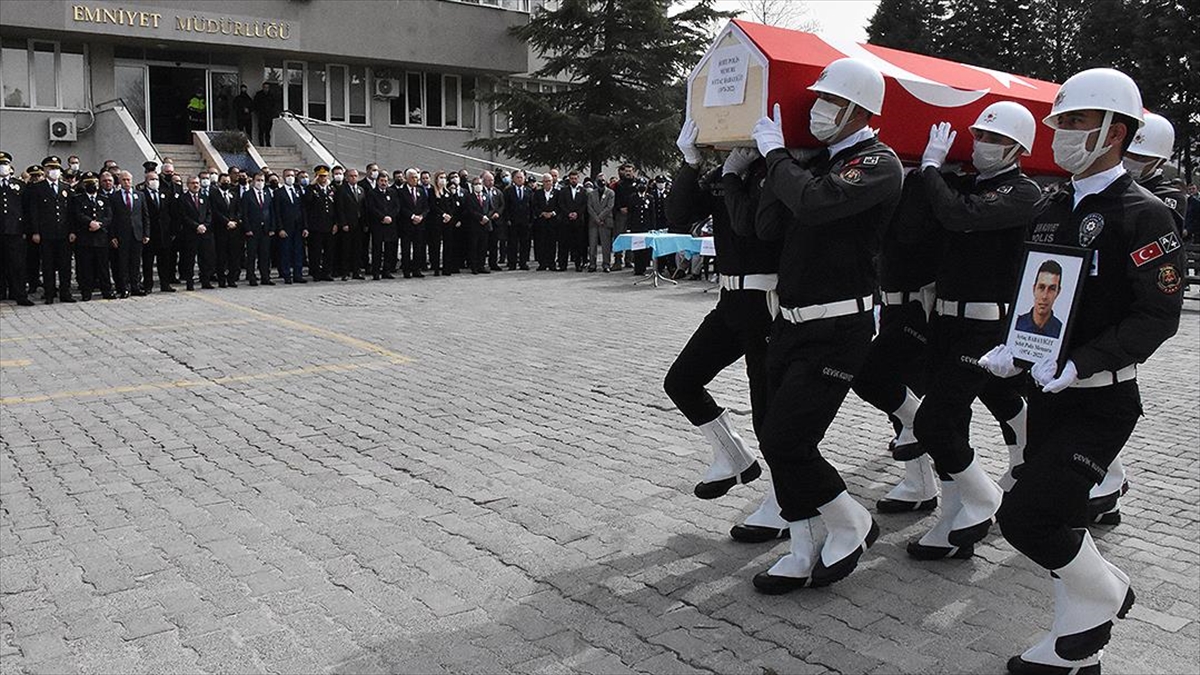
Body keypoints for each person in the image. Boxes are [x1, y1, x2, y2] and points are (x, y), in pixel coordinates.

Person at [978, 68, 1183, 675]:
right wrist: (1013, 347)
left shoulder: (1143, 215)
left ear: (1117, 133)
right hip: (1049, 396)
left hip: (1101, 401)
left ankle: (1108, 593)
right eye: (1059, 122)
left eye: (1076, 122)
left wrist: (1084, 361)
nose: (1062, 133)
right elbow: (1035, 296)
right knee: (1064, 516)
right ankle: (1076, 647)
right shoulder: (1050, 207)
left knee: (1026, 516)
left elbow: (1157, 316)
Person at [747, 58, 903, 593]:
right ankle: (801, 544)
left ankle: (851, 521)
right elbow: (767, 226)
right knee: (774, 439)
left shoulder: (878, 163)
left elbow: (816, 206)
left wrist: (777, 157)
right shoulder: (811, 165)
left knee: (789, 439)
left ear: (859, 111)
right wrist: (773, 166)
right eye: (814, 100)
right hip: (789, 323)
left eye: (828, 102)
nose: (817, 110)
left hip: (840, 327)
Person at [902, 102, 1041, 561]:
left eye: (995, 139)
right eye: (979, 135)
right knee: (953, 420)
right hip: (945, 317)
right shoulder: (964, 183)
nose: (982, 145)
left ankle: (983, 498)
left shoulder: (1023, 192)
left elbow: (960, 215)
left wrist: (929, 168)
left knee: (934, 421)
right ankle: (952, 516)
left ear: (1018, 149)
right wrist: (925, 171)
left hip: (987, 325)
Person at [665, 120, 792, 543]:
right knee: (681, 381)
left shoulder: (778, 170)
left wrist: (735, 175)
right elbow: (680, 216)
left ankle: (784, 500)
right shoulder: (729, 173)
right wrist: (691, 163)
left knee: (767, 408)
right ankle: (733, 456)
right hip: (730, 301)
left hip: (767, 302)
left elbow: (750, 226)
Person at [1122, 112, 1186, 232]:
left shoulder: (1169, 196)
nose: (1131, 161)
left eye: (1142, 157)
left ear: (1160, 162)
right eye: (1127, 154)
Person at [27, 156, 74, 304]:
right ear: (45, 170)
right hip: (46, 233)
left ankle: (65, 293)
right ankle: (49, 293)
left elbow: (70, 212)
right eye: (50, 168)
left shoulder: (66, 187)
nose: (53, 171)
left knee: (65, 265)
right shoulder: (37, 188)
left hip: (64, 232)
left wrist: (72, 231)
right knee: (48, 265)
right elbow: (33, 212)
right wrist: (35, 231)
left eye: (56, 168)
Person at [70, 171, 116, 300]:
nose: (92, 185)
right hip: (85, 237)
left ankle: (106, 291)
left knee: (103, 267)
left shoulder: (104, 199)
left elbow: (109, 216)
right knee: (86, 267)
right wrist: (89, 222)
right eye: (89, 183)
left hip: (101, 238)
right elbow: (77, 215)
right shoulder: (78, 199)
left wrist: (99, 224)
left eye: (94, 182)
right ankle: (86, 292)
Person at [0, 151, 33, 306]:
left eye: (5, 164)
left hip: (16, 231)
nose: (2, 167)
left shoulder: (19, 186)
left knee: (17, 264)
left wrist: (27, 230)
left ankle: (19, 294)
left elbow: (27, 209)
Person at [110, 170, 147, 297]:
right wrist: (113, 236)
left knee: (135, 262)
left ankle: (135, 286)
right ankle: (124, 287)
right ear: (119, 181)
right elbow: (112, 218)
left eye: (128, 180)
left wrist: (146, 233)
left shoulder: (140, 195)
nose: (126, 182)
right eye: (124, 180)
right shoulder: (114, 196)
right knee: (123, 262)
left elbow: (144, 215)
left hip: (137, 233)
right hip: (122, 234)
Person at [175, 175, 214, 290]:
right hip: (190, 233)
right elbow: (183, 216)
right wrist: (196, 226)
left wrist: (205, 225)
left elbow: (209, 213)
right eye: (193, 183)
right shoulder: (183, 198)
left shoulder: (204, 197)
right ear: (188, 185)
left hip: (204, 232)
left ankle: (205, 280)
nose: (195, 185)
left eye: (197, 183)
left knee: (205, 258)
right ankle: (189, 282)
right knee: (189, 259)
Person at [240, 172, 275, 287]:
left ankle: (266, 277)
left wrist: (272, 227)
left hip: (265, 229)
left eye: (262, 180)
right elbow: (244, 213)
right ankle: (251, 277)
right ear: (253, 181)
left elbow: (271, 211)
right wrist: (247, 228)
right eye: (258, 180)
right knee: (251, 255)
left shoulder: (267, 194)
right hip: (252, 230)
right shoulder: (247, 195)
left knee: (265, 255)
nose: (260, 182)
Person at [1014, 260, 1064, 338]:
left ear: (1058, 292)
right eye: (1041, 287)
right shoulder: (1015, 324)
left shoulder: (1062, 331)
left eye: (1052, 289)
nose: (1044, 296)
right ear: (1034, 289)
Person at [304, 165, 337, 282]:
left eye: (325, 176)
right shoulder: (311, 189)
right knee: (315, 251)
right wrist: (312, 185)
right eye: (321, 176)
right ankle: (316, 272)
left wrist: (335, 223)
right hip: (316, 226)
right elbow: (307, 203)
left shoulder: (331, 189)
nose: (323, 179)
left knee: (329, 251)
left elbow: (335, 208)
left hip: (329, 225)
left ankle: (327, 272)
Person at [274, 168, 306, 284]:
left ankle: (298, 274)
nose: (290, 178)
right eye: (288, 175)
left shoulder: (298, 191)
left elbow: (303, 210)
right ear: (283, 177)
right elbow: (277, 212)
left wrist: (305, 227)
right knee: (285, 251)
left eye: (292, 175)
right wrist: (280, 228)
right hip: (285, 227)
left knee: (298, 251)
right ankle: (286, 275)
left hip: (298, 227)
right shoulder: (278, 192)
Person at [210, 172, 241, 288]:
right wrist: (226, 222)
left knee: (234, 256)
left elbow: (239, 210)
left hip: (234, 230)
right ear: (219, 182)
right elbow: (215, 211)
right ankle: (221, 279)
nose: (226, 183)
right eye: (224, 181)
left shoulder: (234, 194)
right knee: (221, 256)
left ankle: (231, 279)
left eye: (228, 181)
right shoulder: (214, 194)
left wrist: (234, 221)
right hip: (221, 229)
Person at [335, 168, 366, 280]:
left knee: (357, 249)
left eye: (356, 176)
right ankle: (345, 272)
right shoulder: (342, 190)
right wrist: (343, 223)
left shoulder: (361, 190)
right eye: (351, 176)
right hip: (348, 224)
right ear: (347, 177)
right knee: (346, 249)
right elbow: (340, 208)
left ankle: (356, 271)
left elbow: (363, 207)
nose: (354, 178)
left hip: (359, 224)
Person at [398, 168, 428, 278]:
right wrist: (412, 216)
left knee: (418, 247)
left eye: (416, 177)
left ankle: (417, 269)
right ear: (406, 178)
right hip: (407, 224)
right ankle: (406, 270)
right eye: (412, 177)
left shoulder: (420, 190)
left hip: (419, 224)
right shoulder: (401, 191)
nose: (415, 180)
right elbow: (401, 207)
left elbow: (426, 207)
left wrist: (421, 216)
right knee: (406, 248)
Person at [461, 176, 494, 274]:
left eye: (479, 184)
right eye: (476, 184)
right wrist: (480, 218)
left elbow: (491, 208)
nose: (478, 186)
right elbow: (469, 210)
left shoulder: (486, 195)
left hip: (485, 225)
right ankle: (474, 266)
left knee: (483, 247)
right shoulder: (469, 196)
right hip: (474, 225)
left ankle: (481, 265)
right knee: (474, 246)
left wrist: (487, 217)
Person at [504, 170, 533, 271]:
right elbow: (506, 207)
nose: (520, 179)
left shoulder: (528, 191)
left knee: (525, 243)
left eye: (522, 177)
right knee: (512, 243)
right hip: (513, 221)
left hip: (525, 221)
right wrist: (507, 219)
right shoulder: (508, 191)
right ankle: (512, 263)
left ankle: (523, 262)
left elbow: (532, 207)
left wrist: (531, 220)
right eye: (518, 177)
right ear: (513, 179)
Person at [586, 174, 615, 273]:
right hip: (593, 222)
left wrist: (600, 217)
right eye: (599, 180)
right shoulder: (591, 194)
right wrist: (596, 218)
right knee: (592, 244)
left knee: (606, 245)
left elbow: (609, 207)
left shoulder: (610, 193)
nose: (601, 182)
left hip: (605, 222)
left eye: (603, 180)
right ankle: (592, 264)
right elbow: (589, 207)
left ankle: (606, 264)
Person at [532, 174, 558, 271]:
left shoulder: (557, 193)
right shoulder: (537, 193)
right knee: (541, 242)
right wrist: (542, 213)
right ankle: (542, 263)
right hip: (541, 221)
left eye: (549, 181)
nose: (547, 183)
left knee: (552, 243)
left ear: (552, 182)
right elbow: (534, 206)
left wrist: (553, 213)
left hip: (553, 221)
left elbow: (559, 205)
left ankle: (552, 263)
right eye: (545, 181)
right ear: (542, 182)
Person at [482, 171, 506, 271]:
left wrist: (498, 213)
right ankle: (481, 263)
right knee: (483, 244)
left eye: (492, 180)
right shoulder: (480, 192)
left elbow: (502, 205)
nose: (491, 182)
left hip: (495, 221)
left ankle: (493, 263)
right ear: (484, 181)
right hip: (484, 221)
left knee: (494, 243)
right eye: (488, 180)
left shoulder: (497, 192)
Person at [253, 82, 279, 147]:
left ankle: (268, 143)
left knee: (268, 131)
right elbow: (255, 105)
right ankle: (261, 144)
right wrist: (258, 112)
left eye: (267, 87)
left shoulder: (271, 95)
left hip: (269, 116)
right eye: (265, 87)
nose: (266, 89)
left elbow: (274, 105)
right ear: (262, 87)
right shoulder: (259, 95)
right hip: (261, 115)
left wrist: (274, 114)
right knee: (261, 130)